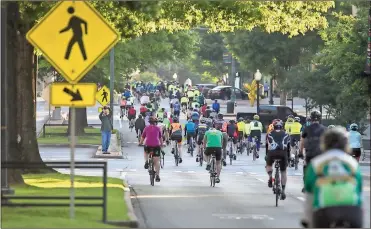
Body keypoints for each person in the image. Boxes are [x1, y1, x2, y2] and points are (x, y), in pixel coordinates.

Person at [301, 127, 363, 228]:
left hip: (324, 211)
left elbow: (309, 196)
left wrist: (307, 219)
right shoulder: (353, 164)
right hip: (353, 212)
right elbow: (359, 192)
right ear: (346, 144)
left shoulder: (316, 164)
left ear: (324, 144)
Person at [299, 110, 327, 193]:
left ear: (310, 119)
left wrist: (300, 152)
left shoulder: (307, 129)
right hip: (321, 153)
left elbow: (302, 141)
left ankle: (305, 186)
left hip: (310, 152)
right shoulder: (325, 129)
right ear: (320, 118)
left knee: (306, 167)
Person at [266, 119, 289, 200]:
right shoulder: (286, 134)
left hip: (272, 153)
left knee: (268, 165)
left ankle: (270, 178)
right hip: (283, 153)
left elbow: (267, 146)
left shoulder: (269, 134)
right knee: (283, 172)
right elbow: (288, 147)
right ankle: (283, 190)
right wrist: (288, 158)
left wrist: (267, 156)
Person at [140, 117, 163, 182]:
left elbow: (143, 137)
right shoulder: (158, 128)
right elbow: (160, 138)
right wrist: (161, 144)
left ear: (149, 122)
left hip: (148, 145)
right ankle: (157, 175)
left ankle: (146, 161)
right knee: (157, 161)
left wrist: (140, 143)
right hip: (156, 145)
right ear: (156, 122)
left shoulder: (146, 128)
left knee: (145, 152)